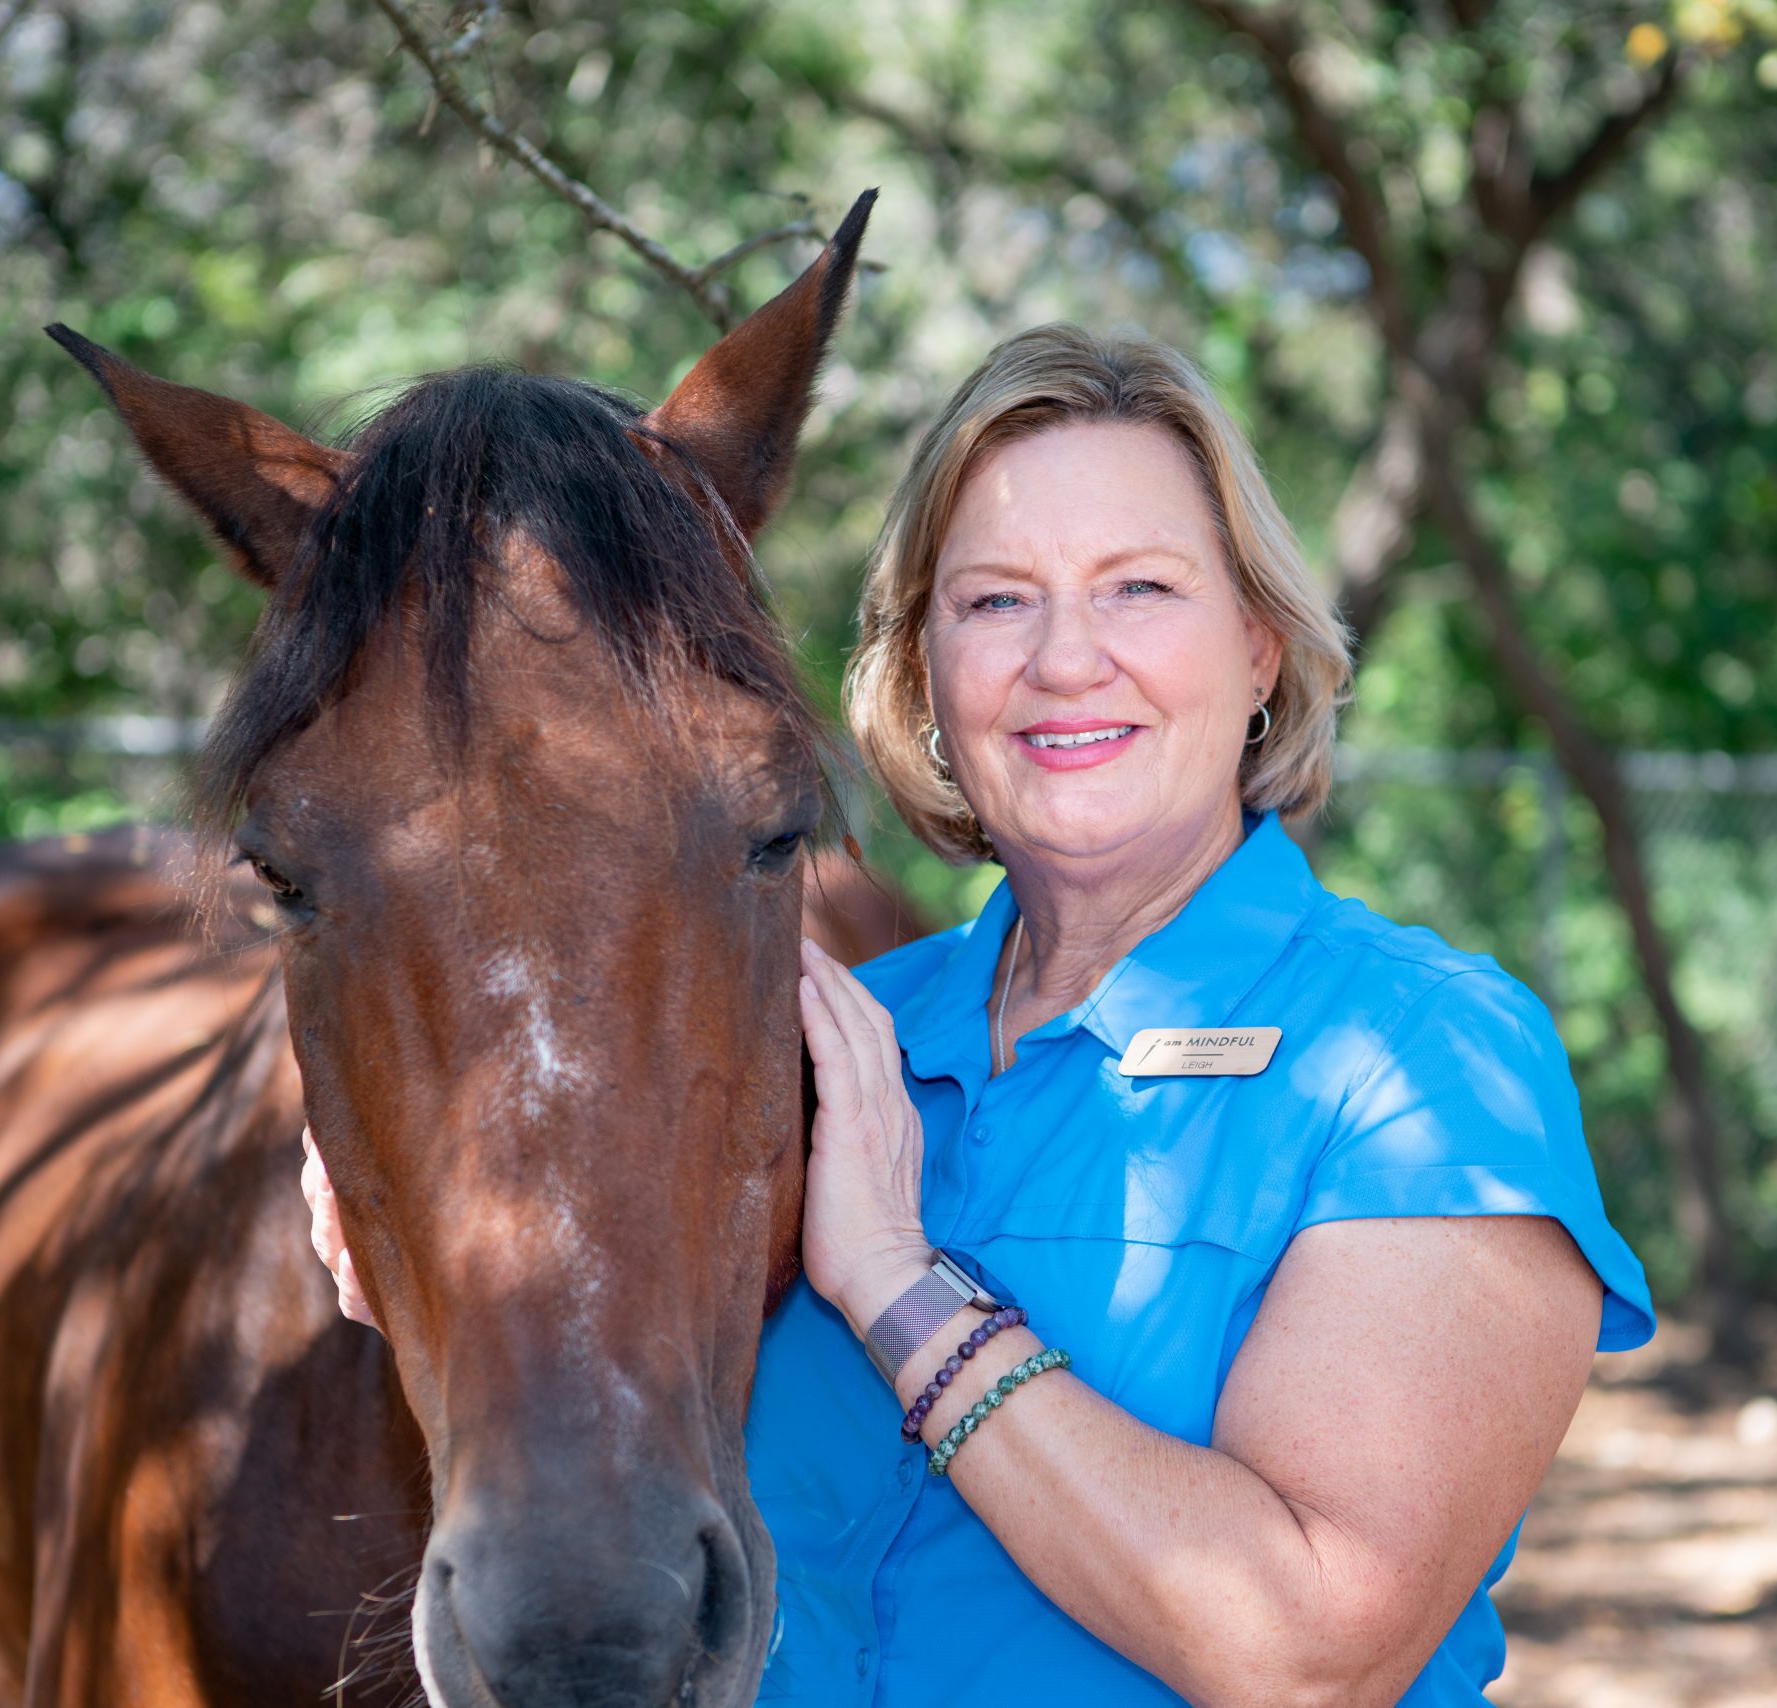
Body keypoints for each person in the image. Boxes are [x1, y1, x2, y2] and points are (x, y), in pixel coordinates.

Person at [307, 324, 1654, 1706]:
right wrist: (421, 1243)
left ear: (1260, 647)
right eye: (996, 602)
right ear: (925, 674)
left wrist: (899, 1284)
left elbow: (1312, 1650)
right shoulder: (823, 1038)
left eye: (1139, 587)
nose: (1067, 659)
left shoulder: (1421, 1060)